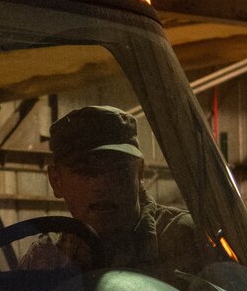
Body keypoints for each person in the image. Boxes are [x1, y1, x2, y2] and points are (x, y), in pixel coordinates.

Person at [18, 105, 211, 281]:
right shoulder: (48, 257)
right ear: (56, 181)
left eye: (118, 170)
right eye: (86, 170)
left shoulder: (183, 239)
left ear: (139, 173)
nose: (103, 184)